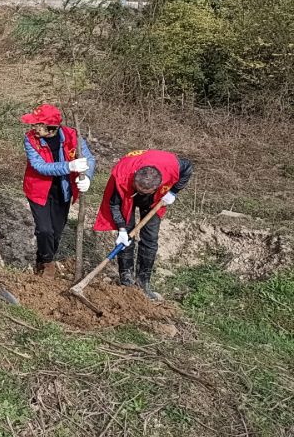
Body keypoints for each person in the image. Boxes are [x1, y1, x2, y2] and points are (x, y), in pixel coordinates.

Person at [93, 149, 194, 301]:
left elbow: (188, 168)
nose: (140, 193)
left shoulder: (173, 165)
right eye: (138, 189)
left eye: (144, 191)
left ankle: (143, 282)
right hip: (126, 195)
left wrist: (173, 191)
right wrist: (121, 228)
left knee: (150, 239)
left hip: (155, 200)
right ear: (135, 180)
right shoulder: (122, 175)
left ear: (157, 185)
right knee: (126, 237)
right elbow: (114, 204)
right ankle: (126, 279)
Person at [20, 104, 95, 277]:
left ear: (51, 128)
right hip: (38, 190)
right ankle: (48, 263)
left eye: (37, 125)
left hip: (63, 189)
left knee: (56, 231)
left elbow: (89, 158)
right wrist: (69, 166)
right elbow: (40, 167)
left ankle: (42, 258)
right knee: (44, 229)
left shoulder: (72, 136)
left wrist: (88, 177)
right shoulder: (30, 139)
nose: (33, 128)